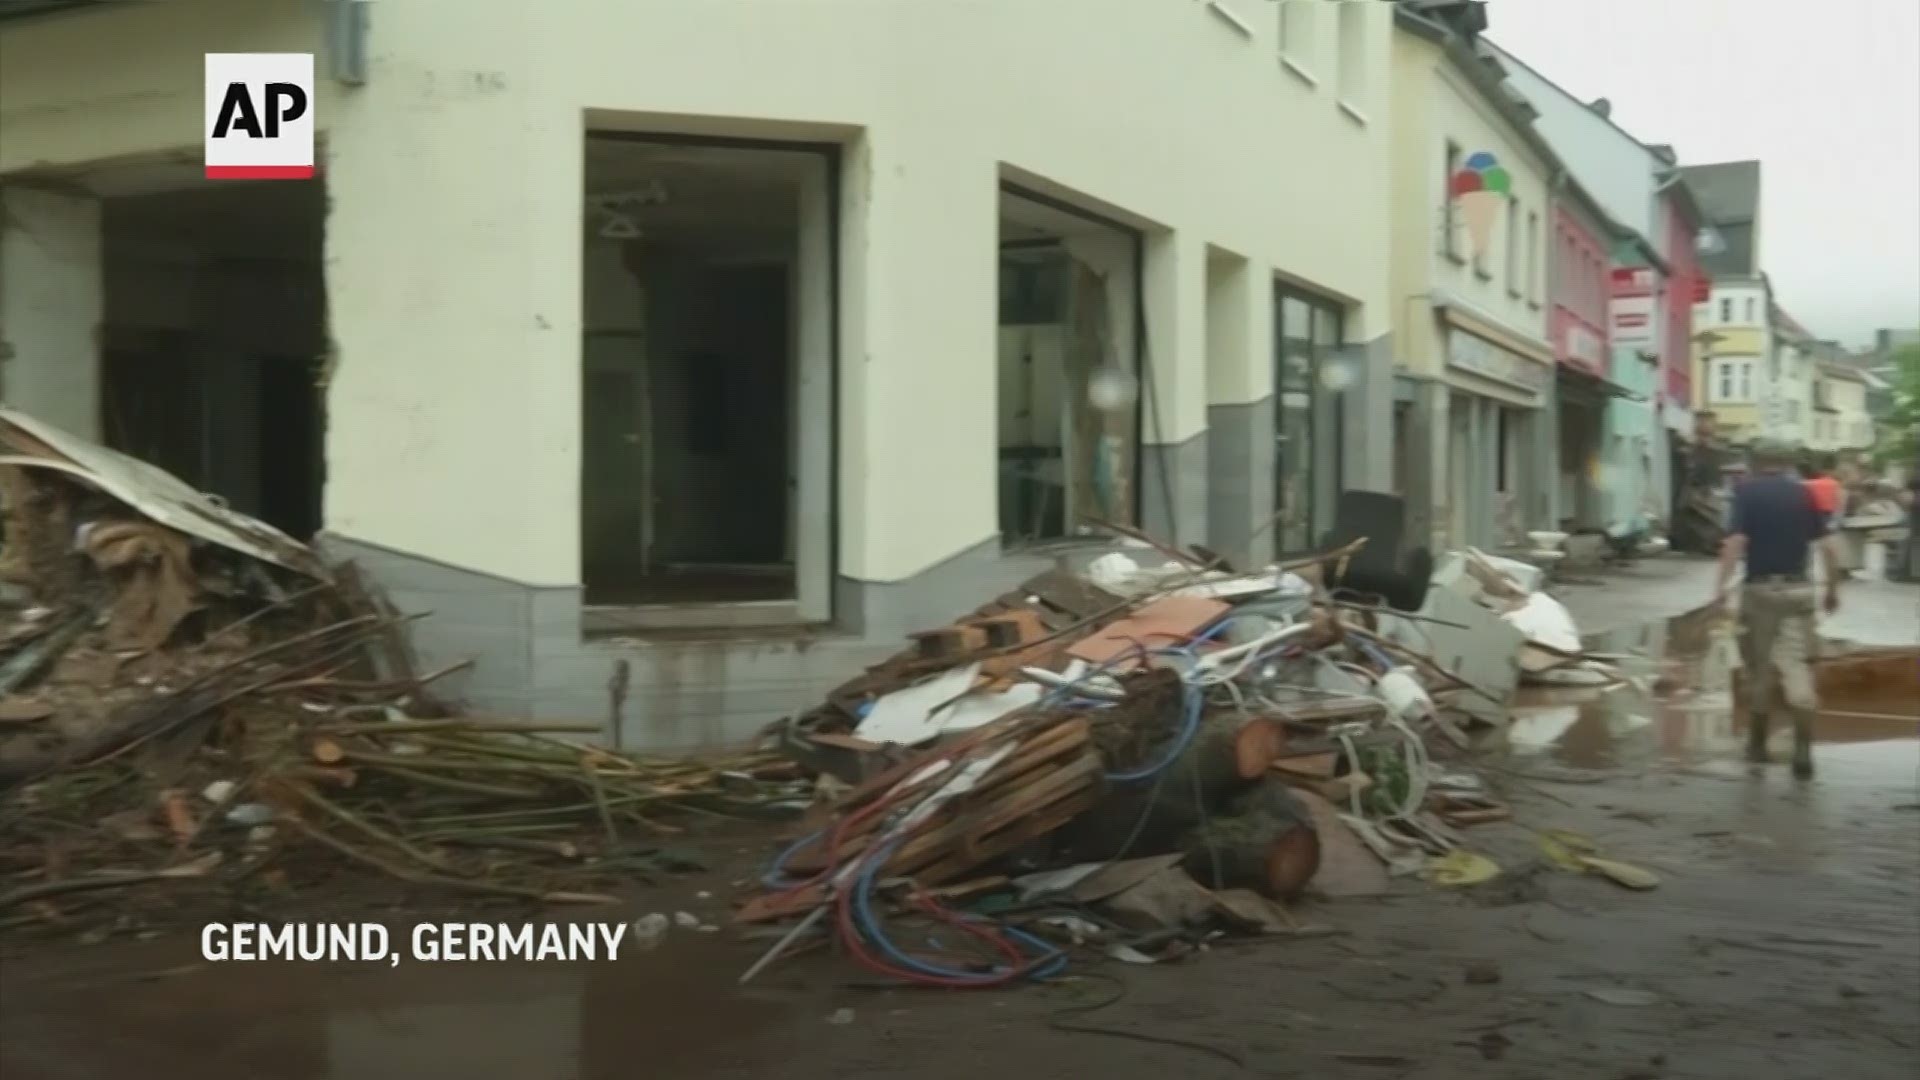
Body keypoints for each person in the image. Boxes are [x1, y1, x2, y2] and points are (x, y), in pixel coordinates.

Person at [1714, 440, 1840, 780]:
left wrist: (1720, 590)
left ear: (1755, 461)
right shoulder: (1805, 494)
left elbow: (1736, 543)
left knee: (1759, 668)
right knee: (1797, 665)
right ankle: (1802, 747)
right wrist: (1832, 589)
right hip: (1799, 590)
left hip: (1760, 591)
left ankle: (1757, 745)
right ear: (1787, 464)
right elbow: (1828, 547)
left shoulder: (1746, 493)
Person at [1801, 454, 1843, 529]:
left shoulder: (1806, 484)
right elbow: (1839, 508)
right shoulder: (1836, 485)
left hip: (1811, 517)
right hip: (1828, 518)